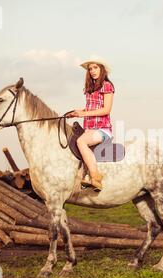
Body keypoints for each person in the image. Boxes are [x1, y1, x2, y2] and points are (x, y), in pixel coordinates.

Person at [67, 55, 115, 192]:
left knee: (81, 142)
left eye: (95, 67)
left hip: (103, 130)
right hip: (90, 129)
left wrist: (83, 114)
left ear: (102, 70)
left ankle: (95, 177)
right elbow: (91, 109)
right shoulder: (90, 88)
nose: (92, 71)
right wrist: (78, 111)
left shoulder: (107, 86)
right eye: (90, 69)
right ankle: (86, 175)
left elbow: (106, 109)